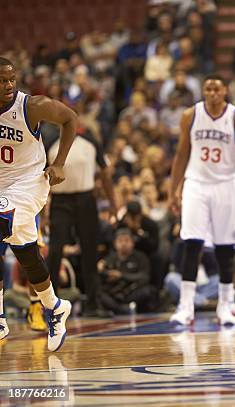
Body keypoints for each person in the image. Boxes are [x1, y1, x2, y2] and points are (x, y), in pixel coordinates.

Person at [0, 57, 77, 351]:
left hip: (30, 182)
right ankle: (55, 306)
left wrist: (59, 163)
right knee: (27, 254)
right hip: (2, 186)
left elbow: (70, 118)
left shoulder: (32, 105)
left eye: (11, 79)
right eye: (1, 81)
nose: (8, 85)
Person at [169, 74, 235, 326]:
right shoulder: (190, 115)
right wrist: (175, 189)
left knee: (225, 247)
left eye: (217, 89)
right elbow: (181, 154)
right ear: (203, 91)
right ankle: (185, 306)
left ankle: (226, 305)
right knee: (192, 243)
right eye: (208, 89)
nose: (213, 93)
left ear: (225, 91)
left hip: (226, 184)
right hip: (196, 183)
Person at [44, 118, 117, 317]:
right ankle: (51, 305)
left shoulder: (90, 142)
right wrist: (43, 212)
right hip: (60, 201)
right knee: (55, 251)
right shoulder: (49, 142)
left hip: (86, 199)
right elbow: (42, 178)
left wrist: (113, 203)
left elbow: (105, 173)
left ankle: (93, 304)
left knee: (90, 251)